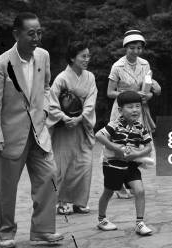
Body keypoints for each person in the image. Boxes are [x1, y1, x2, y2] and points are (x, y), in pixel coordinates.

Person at [0, 12, 63, 248]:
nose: (36, 38)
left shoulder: (43, 56)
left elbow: (46, 87)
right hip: (10, 137)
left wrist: (46, 109)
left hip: (39, 133)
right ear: (16, 34)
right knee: (7, 189)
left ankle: (43, 230)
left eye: (39, 32)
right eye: (31, 33)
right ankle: (6, 232)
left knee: (50, 176)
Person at [107, 29, 161, 198]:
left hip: (139, 111)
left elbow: (148, 87)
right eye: (132, 48)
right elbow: (110, 92)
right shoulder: (117, 66)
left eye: (139, 48)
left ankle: (130, 180)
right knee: (121, 145)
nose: (136, 51)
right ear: (126, 48)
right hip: (121, 110)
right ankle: (118, 185)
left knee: (137, 145)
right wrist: (130, 97)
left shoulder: (145, 64)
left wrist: (149, 95)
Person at [46, 42, 98, 215]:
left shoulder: (90, 77)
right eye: (83, 56)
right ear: (72, 58)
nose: (87, 59)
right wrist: (65, 118)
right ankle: (61, 201)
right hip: (64, 128)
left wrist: (81, 117)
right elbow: (52, 103)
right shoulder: (61, 78)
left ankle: (79, 201)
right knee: (63, 164)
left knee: (84, 163)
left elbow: (91, 100)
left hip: (81, 125)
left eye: (88, 56)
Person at [95, 90, 154, 236]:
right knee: (108, 192)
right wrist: (117, 148)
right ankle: (101, 219)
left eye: (137, 106)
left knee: (139, 190)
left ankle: (140, 223)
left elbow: (148, 147)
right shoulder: (114, 124)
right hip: (113, 165)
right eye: (130, 107)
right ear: (120, 110)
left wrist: (137, 154)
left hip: (131, 165)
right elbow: (99, 136)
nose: (135, 110)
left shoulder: (141, 127)